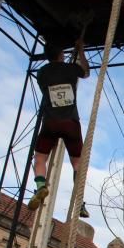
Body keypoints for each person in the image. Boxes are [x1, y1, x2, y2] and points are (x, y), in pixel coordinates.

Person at [27, 37, 91, 218]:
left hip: (50, 122)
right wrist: (79, 50)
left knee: (40, 158)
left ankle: (40, 186)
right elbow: (85, 72)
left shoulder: (42, 73)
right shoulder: (70, 69)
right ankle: (79, 201)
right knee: (77, 163)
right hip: (70, 122)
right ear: (61, 54)